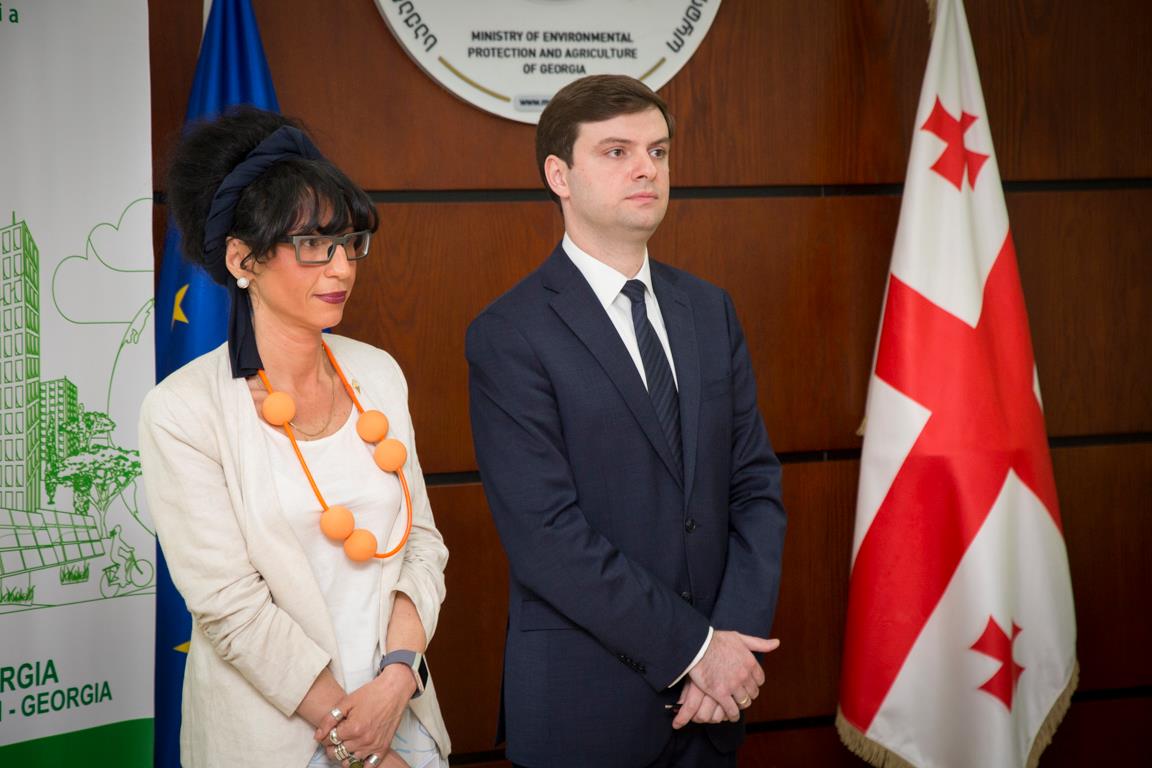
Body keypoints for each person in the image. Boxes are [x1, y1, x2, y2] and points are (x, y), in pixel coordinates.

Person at [466, 75, 788, 767]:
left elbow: (755, 486)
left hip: (716, 708)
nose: (647, 168)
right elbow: (547, 537)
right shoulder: (509, 333)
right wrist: (697, 651)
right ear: (560, 175)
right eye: (616, 152)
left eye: (658, 151)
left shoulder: (710, 309)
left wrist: (730, 646)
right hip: (586, 713)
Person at [140, 107, 450, 768]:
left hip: (402, 713)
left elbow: (422, 543)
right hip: (280, 739)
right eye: (313, 244)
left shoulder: (378, 374)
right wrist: (363, 747)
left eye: (348, 242)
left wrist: (398, 677)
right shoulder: (183, 410)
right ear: (242, 259)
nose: (341, 269)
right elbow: (231, 609)